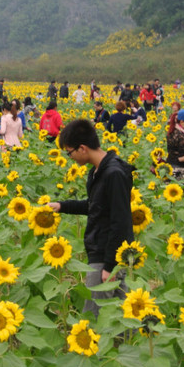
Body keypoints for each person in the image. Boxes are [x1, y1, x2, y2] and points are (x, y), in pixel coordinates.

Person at [48, 119, 134, 317]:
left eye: (70, 152)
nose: (70, 158)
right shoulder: (98, 171)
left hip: (106, 255)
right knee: (121, 316)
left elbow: (119, 222)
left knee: (95, 316)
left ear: (83, 148)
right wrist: (62, 206)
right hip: (106, 251)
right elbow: (96, 206)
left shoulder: (113, 174)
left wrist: (110, 266)